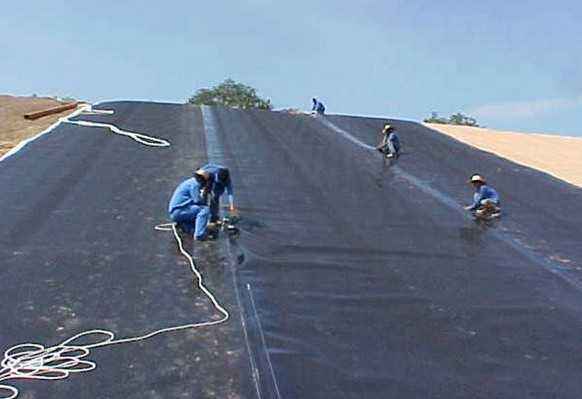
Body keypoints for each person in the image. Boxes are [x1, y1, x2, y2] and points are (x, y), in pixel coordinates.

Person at [168, 171, 213, 240]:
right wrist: (205, 194)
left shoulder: (191, 182)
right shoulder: (195, 184)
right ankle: (199, 235)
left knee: (195, 223)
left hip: (178, 211)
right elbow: (197, 201)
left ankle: (184, 226)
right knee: (204, 210)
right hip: (179, 211)